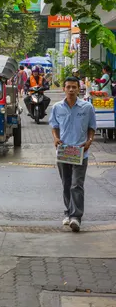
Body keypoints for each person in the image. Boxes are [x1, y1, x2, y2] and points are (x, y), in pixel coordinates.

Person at [49, 76, 96, 232]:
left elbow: (92, 127)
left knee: (77, 184)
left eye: (74, 87)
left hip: (81, 152)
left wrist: (89, 141)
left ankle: (76, 217)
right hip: (63, 152)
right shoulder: (57, 107)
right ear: (64, 88)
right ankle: (68, 213)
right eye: (68, 87)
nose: (71, 89)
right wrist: (56, 138)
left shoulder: (87, 107)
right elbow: (54, 126)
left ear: (78, 89)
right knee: (66, 184)